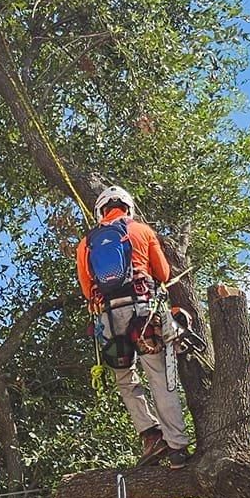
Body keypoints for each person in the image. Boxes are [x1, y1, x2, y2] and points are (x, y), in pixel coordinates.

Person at [75, 186, 191, 467]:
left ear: (100, 210)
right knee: (159, 376)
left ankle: (151, 436)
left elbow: (88, 291)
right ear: (128, 207)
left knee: (125, 379)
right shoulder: (141, 231)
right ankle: (176, 448)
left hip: (109, 319)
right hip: (143, 312)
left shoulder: (85, 244)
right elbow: (163, 273)